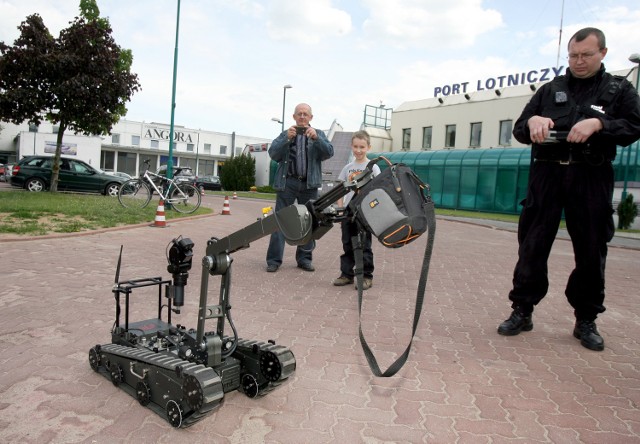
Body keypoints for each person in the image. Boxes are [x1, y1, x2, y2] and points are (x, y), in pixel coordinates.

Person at [497, 27, 640, 351]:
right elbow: (520, 129)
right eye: (573, 55)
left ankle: (585, 319)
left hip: (590, 176)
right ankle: (522, 310)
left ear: (602, 53)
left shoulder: (618, 89)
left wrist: (600, 124)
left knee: (591, 250)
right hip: (547, 175)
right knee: (532, 246)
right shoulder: (551, 89)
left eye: (586, 55)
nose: (578, 61)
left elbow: (634, 125)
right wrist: (533, 121)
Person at [266, 103, 334, 272]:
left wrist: (317, 139)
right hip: (287, 183)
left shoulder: (318, 134)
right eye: (299, 114)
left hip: (309, 184)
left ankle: (304, 259)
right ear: (294, 117)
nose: (302, 117)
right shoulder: (285, 133)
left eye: (305, 114)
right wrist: (286, 139)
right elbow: (273, 154)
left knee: (308, 222)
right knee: (280, 221)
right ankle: (274, 261)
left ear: (311, 117)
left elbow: (329, 153)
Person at [332, 130, 381, 290]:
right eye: (355, 146)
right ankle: (346, 274)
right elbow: (340, 189)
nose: (358, 150)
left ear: (368, 147)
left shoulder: (373, 168)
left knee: (364, 244)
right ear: (351, 146)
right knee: (347, 242)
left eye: (362, 147)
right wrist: (340, 208)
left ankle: (366, 276)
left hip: (365, 212)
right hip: (348, 211)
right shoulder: (348, 168)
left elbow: (378, 191)